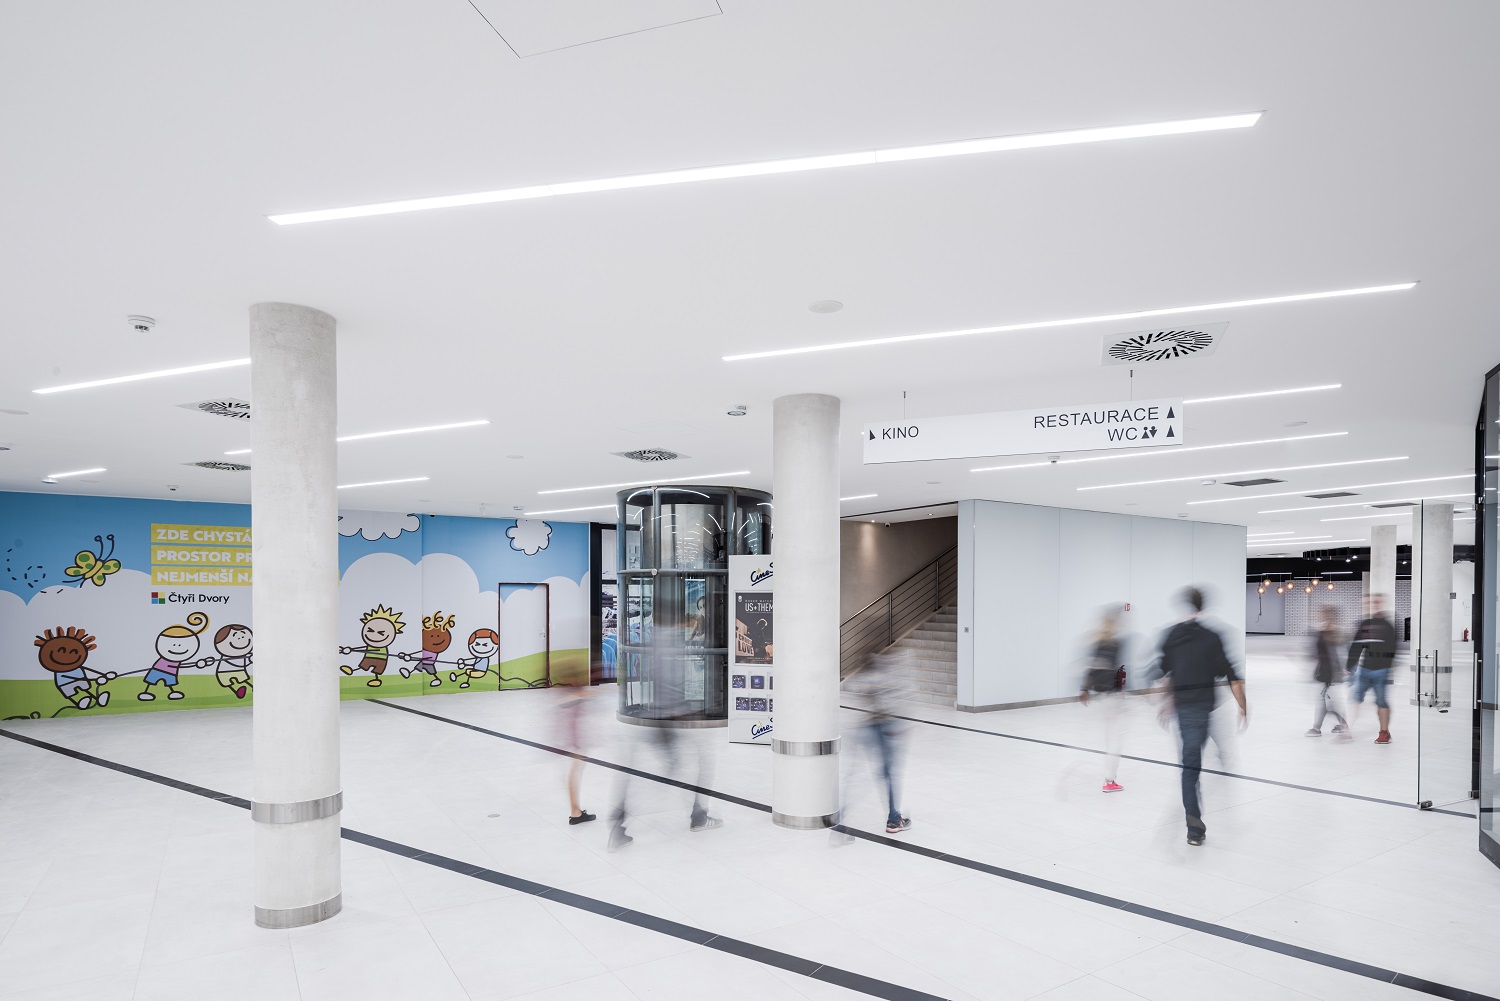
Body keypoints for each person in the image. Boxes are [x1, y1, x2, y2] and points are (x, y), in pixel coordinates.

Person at [1157, 586, 1246, 847]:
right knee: (1194, 758)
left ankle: (1194, 827)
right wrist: (1243, 705)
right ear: (1203, 605)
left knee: (1189, 766)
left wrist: (1166, 700)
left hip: (1185, 709)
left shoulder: (1172, 634)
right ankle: (1194, 825)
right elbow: (1231, 673)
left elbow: (1165, 670)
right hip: (1204, 708)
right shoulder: (1213, 636)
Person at [1079, 605, 1128, 792]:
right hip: (1113, 695)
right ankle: (1109, 781)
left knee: (1110, 736)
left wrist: (1084, 689)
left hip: (1101, 696)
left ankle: (1109, 778)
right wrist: (1122, 692)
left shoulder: (1097, 643)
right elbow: (1119, 670)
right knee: (1116, 738)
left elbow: (1090, 668)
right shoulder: (1116, 644)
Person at [1347, 594, 1398, 744]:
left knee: (1381, 701)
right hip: (1364, 669)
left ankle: (1384, 732)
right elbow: (1356, 646)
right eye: (1368, 603)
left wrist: (1387, 667)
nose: (1371, 606)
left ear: (1381, 604)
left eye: (1375, 603)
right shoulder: (1365, 624)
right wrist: (1350, 665)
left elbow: (1393, 648)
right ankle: (1347, 730)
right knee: (1355, 699)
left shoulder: (1387, 625)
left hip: (1381, 670)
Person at [1307, 606, 1349, 739]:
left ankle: (1317, 728)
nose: (1321, 615)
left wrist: (1342, 669)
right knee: (1325, 700)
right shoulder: (1320, 631)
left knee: (1324, 700)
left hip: (1331, 671)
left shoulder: (1336, 633)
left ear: (1331, 615)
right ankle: (1342, 724)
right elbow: (1316, 651)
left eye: (1324, 613)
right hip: (1322, 669)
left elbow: (1340, 653)